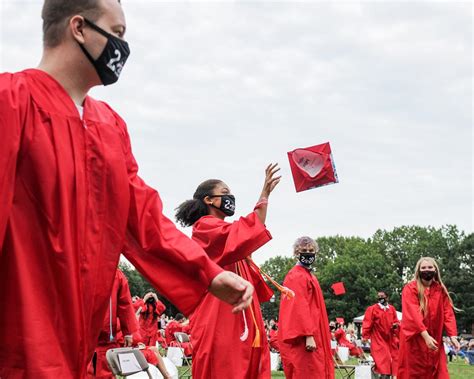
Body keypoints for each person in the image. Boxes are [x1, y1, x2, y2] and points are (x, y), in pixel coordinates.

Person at [0, 1, 254, 377]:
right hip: (18, 332)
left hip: (80, 343)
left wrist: (208, 272)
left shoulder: (110, 128)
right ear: (79, 28)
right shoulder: (11, 102)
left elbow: (144, 218)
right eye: (116, 33)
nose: (123, 47)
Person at [175, 164, 281, 379]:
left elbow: (242, 236)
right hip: (220, 315)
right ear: (209, 200)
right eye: (224, 193)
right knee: (226, 368)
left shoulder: (224, 230)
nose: (230, 197)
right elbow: (247, 231)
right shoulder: (204, 227)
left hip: (238, 313)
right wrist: (264, 195)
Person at [278, 237, 335, 379]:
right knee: (307, 372)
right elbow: (298, 307)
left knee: (316, 371)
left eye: (311, 250)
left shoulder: (308, 275)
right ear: (296, 253)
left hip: (315, 333)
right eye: (304, 250)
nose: (308, 253)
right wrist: (308, 335)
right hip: (304, 338)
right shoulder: (296, 276)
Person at [397, 257, 460, 379]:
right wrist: (425, 336)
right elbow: (413, 314)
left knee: (439, 373)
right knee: (413, 373)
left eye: (430, 267)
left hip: (435, 339)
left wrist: (453, 335)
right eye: (424, 268)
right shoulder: (410, 289)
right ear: (418, 271)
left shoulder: (440, 290)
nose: (427, 270)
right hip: (415, 340)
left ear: (435, 270)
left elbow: (448, 313)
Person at [362, 290, 400, 379]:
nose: (380, 298)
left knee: (395, 361)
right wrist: (365, 336)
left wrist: (396, 325)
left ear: (387, 297)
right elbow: (367, 323)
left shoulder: (392, 309)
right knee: (384, 363)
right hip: (378, 339)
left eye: (382, 296)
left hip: (390, 340)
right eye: (378, 296)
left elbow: (396, 322)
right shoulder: (372, 309)